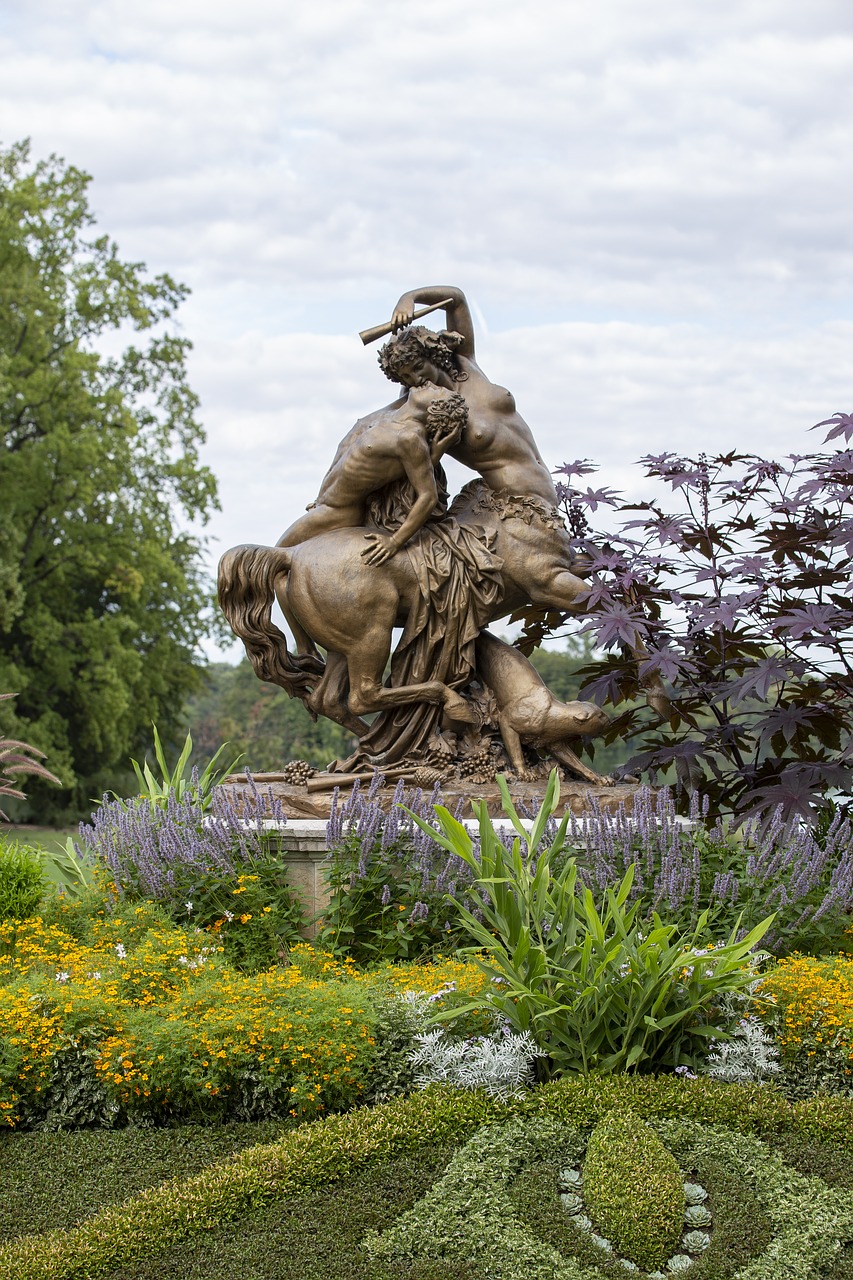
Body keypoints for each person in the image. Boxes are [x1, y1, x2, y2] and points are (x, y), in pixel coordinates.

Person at [276, 382, 467, 566]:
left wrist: (394, 542)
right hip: (324, 503)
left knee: (276, 552)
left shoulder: (410, 438)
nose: (432, 384)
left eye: (439, 390)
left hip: (338, 510)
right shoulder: (390, 417)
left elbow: (428, 496)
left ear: (436, 408)